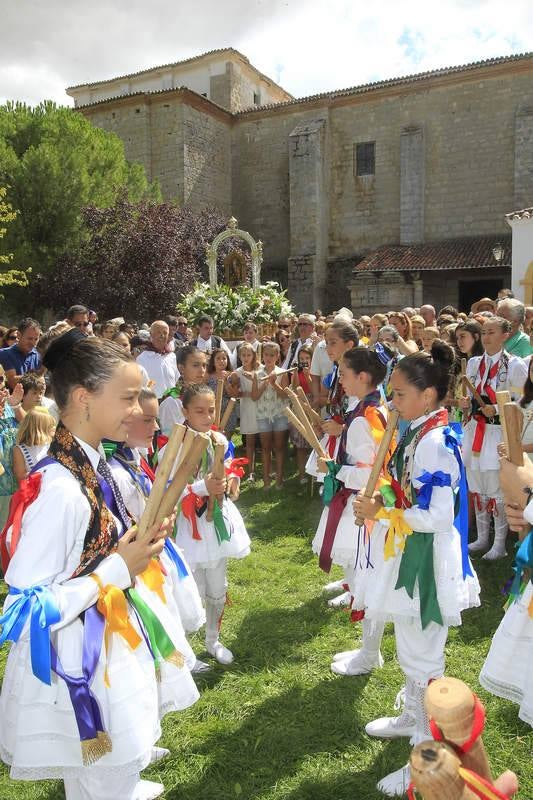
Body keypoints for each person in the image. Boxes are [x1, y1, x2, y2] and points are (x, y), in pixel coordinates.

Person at [0, 330, 199, 800]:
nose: (137, 409)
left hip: (106, 637)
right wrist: (114, 569)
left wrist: (138, 541)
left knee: (102, 775)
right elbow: (23, 610)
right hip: (84, 657)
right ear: (85, 398)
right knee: (108, 771)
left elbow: (94, 546)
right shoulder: (62, 488)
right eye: (128, 398)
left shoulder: (89, 462)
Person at [354, 341, 480, 796]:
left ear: (428, 396)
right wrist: (385, 500)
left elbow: (439, 515)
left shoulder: (433, 440)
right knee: (412, 645)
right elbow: (410, 495)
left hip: (426, 558)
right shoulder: (420, 430)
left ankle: (428, 754)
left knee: (424, 654)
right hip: (412, 547)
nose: (393, 401)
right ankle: (413, 717)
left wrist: (383, 514)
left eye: (400, 393)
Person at [105, 388, 205, 659]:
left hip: (157, 545)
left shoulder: (132, 457)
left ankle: (182, 660)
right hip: (140, 555)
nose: (157, 426)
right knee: (160, 608)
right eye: (148, 420)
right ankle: (173, 663)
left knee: (169, 602)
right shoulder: (114, 472)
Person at [312, 348, 389, 676]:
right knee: (364, 578)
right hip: (365, 504)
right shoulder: (369, 409)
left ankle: (370, 654)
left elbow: (369, 473)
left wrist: (334, 469)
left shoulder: (362, 419)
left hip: (363, 507)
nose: (338, 379)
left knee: (368, 581)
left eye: (343, 373)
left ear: (363, 377)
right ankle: (367, 649)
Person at [175, 383, 251, 664]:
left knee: (217, 588)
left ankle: (212, 640)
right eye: (199, 411)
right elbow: (167, 492)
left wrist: (232, 479)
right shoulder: (174, 445)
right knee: (190, 591)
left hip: (215, 523)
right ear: (184, 411)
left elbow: (230, 467)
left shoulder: (219, 440)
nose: (207, 417)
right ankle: (183, 652)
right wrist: (200, 488)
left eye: (211, 411)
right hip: (187, 528)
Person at [460, 317, 527, 559]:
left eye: (492, 332)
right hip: (475, 431)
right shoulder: (473, 364)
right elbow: (466, 398)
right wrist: (465, 404)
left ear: (505, 335)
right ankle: (481, 538)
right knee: (478, 486)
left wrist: (497, 409)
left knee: (497, 487)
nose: (486, 337)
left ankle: (499, 544)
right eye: (484, 332)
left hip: (497, 432)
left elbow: (522, 402)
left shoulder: (515, 365)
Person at [253, 342, 290, 489]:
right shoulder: (257, 374)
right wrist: (265, 383)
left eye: (271, 355)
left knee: (279, 448)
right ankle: (266, 480)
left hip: (279, 414)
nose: (268, 358)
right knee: (265, 448)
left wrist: (274, 384)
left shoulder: (283, 372)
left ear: (277, 356)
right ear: (262, 356)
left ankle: (279, 479)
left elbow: (285, 395)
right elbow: (254, 396)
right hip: (263, 415)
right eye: (266, 355)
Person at [159, 346, 207, 436]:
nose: (202, 370)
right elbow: (169, 438)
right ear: (181, 368)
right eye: (196, 365)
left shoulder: (205, 396)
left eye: (204, 365)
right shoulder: (172, 401)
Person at [0, 371, 25, 529]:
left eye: (0, 378)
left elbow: (31, 429)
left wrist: (16, 405)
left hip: (14, 486)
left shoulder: (9, 406)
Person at [232, 343, 260, 482]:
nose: (246, 358)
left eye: (249, 355)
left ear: (254, 355)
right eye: (243, 355)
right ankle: (251, 471)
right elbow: (236, 393)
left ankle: (268, 468)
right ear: (239, 356)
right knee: (250, 441)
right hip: (247, 409)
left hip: (261, 407)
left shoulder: (260, 369)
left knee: (267, 440)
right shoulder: (237, 372)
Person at [288, 346, 313, 483]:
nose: (304, 361)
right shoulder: (296, 371)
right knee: (300, 443)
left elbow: (313, 387)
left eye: (307, 358)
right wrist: (297, 373)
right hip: (299, 405)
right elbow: (295, 386)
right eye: (302, 359)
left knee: (313, 441)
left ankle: (314, 474)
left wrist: (308, 374)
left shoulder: (315, 371)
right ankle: (302, 474)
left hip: (311, 405)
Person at [136, 320, 179, 400]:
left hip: (172, 403)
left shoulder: (171, 356)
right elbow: (143, 385)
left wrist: (175, 398)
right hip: (154, 404)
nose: (162, 335)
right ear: (151, 334)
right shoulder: (142, 358)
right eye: (158, 332)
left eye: (165, 333)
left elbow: (174, 382)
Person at [12, 407, 55, 483]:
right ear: (40, 429)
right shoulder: (19, 450)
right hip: (36, 491)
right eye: (50, 426)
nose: (54, 428)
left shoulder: (53, 444)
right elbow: (20, 477)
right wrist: (41, 473)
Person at [0, 318, 42, 390]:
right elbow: (13, 383)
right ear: (19, 335)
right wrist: (39, 375)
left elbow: (41, 384)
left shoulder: (37, 355)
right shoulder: (4, 354)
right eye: (30, 339)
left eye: (36, 339)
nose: (33, 343)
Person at [206, 348, 239, 437]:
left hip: (227, 411)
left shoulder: (233, 375)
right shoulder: (208, 376)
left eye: (224, 358)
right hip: (212, 410)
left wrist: (225, 381)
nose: (221, 361)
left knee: (226, 438)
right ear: (213, 361)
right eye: (218, 358)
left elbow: (234, 395)